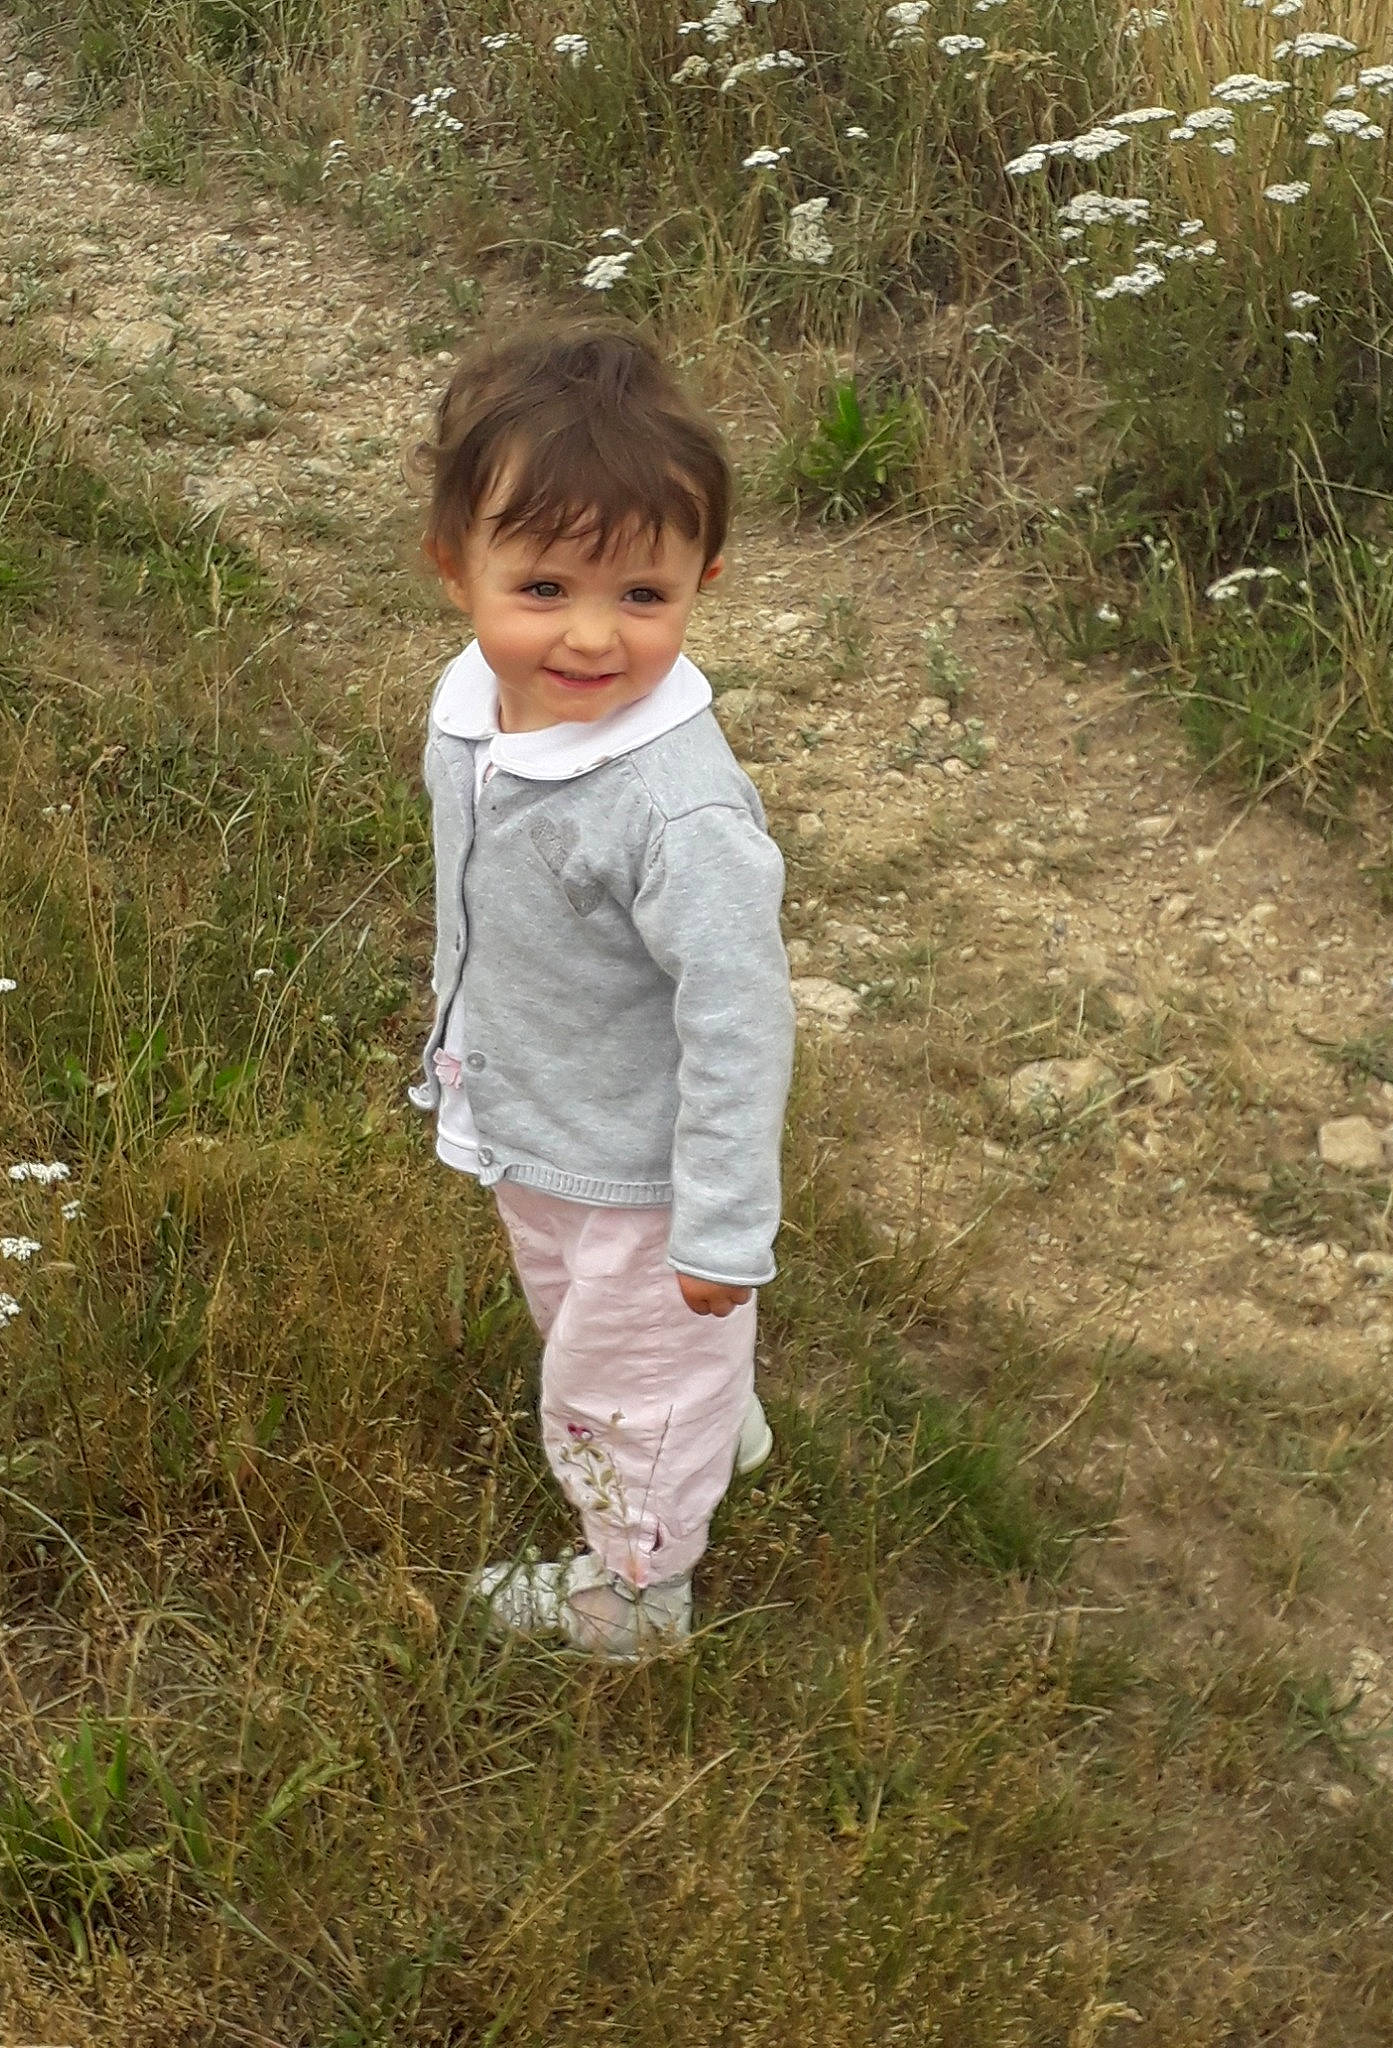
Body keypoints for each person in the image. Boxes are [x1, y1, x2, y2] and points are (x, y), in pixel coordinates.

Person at [409, 319, 796, 1661]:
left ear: (704, 576)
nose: (589, 635)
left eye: (643, 596)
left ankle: (634, 1594)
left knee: (611, 1387)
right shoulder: (478, 701)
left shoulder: (672, 811)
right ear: (455, 567)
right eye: (545, 586)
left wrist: (724, 1231)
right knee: (586, 1330)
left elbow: (742, 1020)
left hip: (643, 1167)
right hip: (537, 1121)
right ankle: (700, 1403)